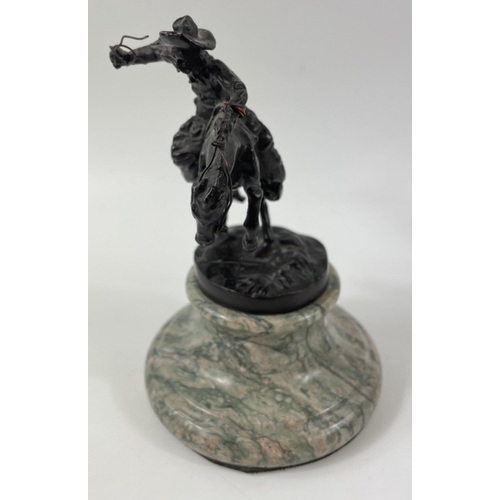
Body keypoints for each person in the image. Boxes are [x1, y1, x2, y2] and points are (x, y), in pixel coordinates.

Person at [109, 15, 285, 202]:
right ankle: (208, 186)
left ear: (196, 51)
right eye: (177, 52)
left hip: (229, 113)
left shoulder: (214, 68)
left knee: (263, 138)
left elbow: (239, 90)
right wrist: (129, 57)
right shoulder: (176, 55)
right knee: (180, 152)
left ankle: (271, 179)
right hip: (203, 116)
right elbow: (155, 51)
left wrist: (232, 113)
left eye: (183, 53)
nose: (178, 59)